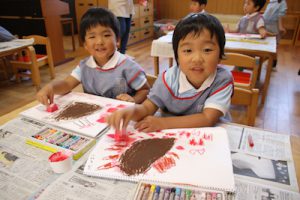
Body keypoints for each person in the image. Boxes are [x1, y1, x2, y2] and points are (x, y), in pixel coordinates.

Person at [107, 13, 234, 133]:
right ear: (177, 56)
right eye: (188, 50)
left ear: (220, 55)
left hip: (210, 138)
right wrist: (131, 111)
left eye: (207, 50)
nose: (197, 59)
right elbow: (147, 108)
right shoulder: (168, 79)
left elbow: (208, 118)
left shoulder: (222, 80)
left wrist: (162, 123)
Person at [36, 7, 150, 106]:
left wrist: (133, 100)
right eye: (92, 37)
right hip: (94, 121)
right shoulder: (84, 66)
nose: (99, 42)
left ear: (118, 40)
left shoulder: (128, 67)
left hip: (122, 118)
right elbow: (66, 84)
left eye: (106, 35)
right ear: (85, 44)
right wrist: (50, 87)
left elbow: (145, 90)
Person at [263, 0, 287, 69]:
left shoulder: (282, 2)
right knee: (267, 44)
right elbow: (266, 14)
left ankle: (273, 63)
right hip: (266, 25)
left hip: (274, 27)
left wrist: (280, 27)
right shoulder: (272, 1)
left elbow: (280, 15)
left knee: (274, 46)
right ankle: (270, 61)